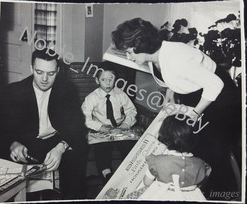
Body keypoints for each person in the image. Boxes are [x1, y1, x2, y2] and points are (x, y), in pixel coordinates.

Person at [111, 18, 241, 199]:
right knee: (192, 146)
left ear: (141, 45)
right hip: (199, 92)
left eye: (129, 51)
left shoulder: (176, 59)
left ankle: (223, 195)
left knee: (212, 152)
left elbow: (215, 85)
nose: (128, 56)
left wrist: (195, 113)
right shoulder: (155, 56)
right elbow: (173, 76)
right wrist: (169, 94)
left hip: (220, 100)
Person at [0, 48, 88, 200]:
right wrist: (14, 144)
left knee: (78, 153)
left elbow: (77, 126)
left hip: (57, 139)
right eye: (39, 72)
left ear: (58, 71)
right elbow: (5, 129)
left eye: (50, 73)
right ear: (31, 68)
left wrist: (61, 147)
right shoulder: (14, 91)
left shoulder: (68, 90)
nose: (44, 79)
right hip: (28, 142)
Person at [126, 114, 211, 200]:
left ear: (165, 138)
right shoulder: (201, 164)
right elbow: (201, 182)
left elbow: (147, 182)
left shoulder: (156, 161)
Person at [81, 63, 137, 182]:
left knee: (129, 146)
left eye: (111, 79)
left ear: (115, 80)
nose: (107, 83)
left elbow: (131, 111)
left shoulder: (120, 94)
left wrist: (126, 124)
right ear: (97, 80)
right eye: (103, 79)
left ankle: (127, 174)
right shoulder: (91, 98)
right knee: (101, 148)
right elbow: (85, 117)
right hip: (101, 129)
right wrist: (100, 127)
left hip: (120, 128)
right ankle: (106, 175)